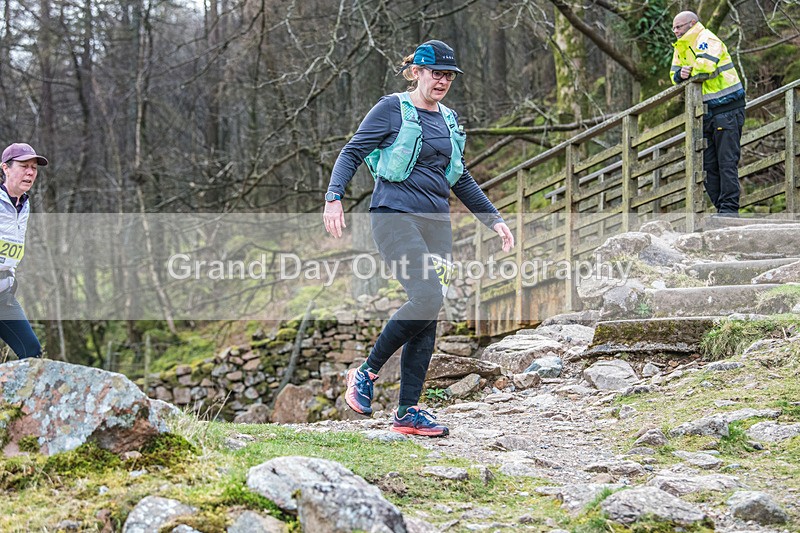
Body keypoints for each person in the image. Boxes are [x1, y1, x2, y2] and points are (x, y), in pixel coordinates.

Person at [323, 40, 513, 437]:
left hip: (436, 224)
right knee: (426, 296)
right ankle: (366, 372)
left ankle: (407, 411)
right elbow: (352, 152)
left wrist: (492, 219)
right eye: (435, 73)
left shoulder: (448, 119)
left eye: (448, 76)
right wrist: (334, 197)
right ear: (417, 72)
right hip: (393, 216)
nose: (442, 81)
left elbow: (460, 177)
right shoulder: (391, 109)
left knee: (428, 310)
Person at [671, 11, 746, 216]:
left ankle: (729, 210)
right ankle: (721, 209)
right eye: (674, 27)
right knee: (708, 164)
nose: (675, 31)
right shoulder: (680, 47)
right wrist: (680, 74)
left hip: (727, 108)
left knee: (726, 161)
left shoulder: (707, 38)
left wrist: (688, 71)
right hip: (704, 112)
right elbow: (674, 74)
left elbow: (706, 66)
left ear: (692, 23)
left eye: (679, 26)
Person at [0, 143, 45, 360]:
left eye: (34, 168)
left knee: (31, 353)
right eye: (24, 166)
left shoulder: (24, 204)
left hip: (3, 296)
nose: (30, 172)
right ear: (5, 168)